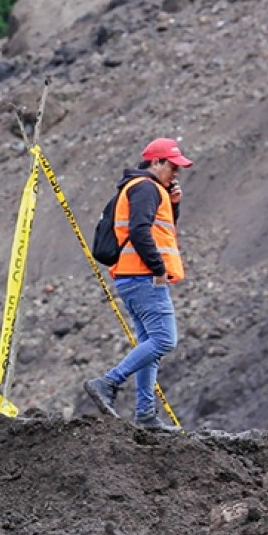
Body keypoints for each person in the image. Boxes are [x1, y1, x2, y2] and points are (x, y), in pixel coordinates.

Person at [84, 137, 192, 431]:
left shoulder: (146, 189)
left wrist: (174, 204)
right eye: (172, 166)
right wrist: (158, 269)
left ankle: (146, 414)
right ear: (155, 162)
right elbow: (141, 231)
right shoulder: (145, 188)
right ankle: (108, 382)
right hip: (144, 277)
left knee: (150, 344)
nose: (176, 173)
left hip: (132, 277)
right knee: (164, 340)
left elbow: (160, 230)